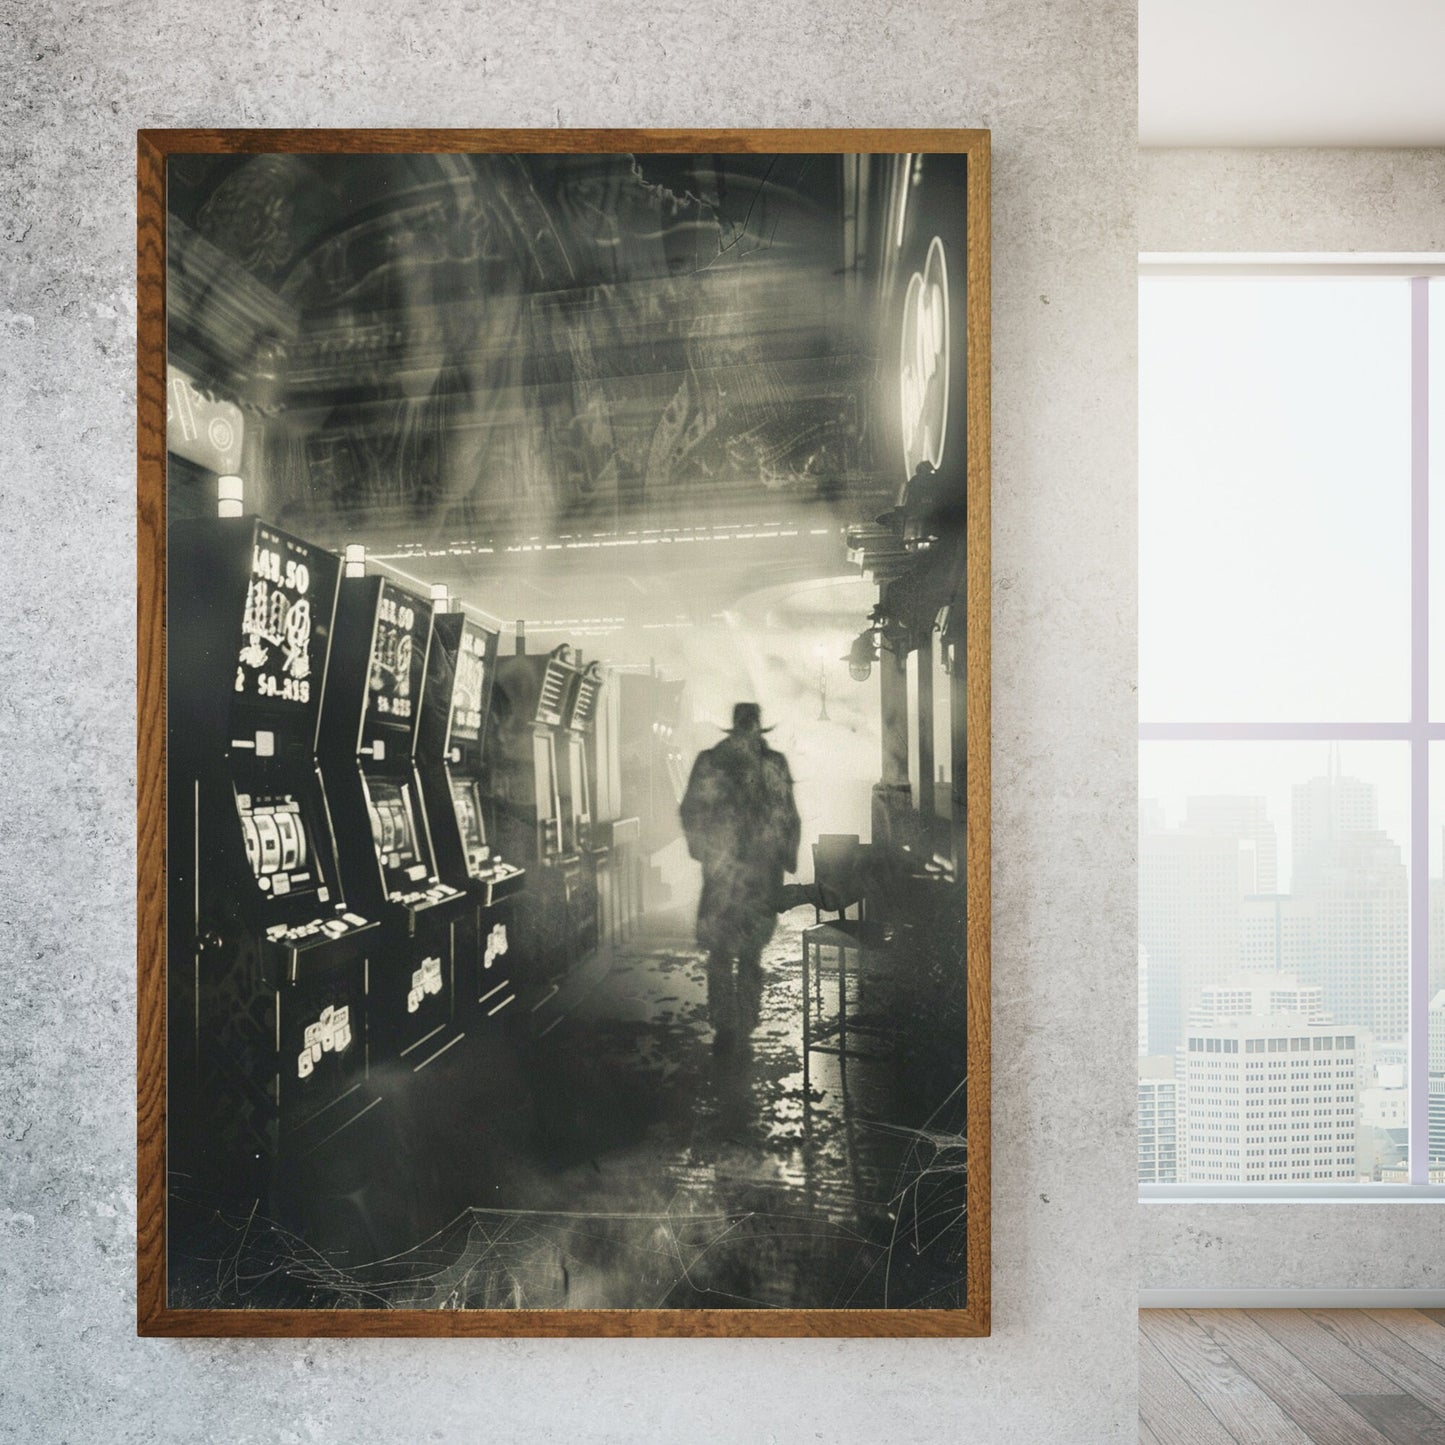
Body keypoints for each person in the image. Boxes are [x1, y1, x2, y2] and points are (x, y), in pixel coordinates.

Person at [680, 703, 801, 1051]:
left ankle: (725, 1026)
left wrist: (701, 849)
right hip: (760, 874)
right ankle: (743, 1023)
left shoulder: (710, 762)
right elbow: (788, 816)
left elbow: (691, 809)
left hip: (723, 873)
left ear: (732, 729)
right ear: (757, 728)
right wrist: (785, 857)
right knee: (747, 952)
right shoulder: (773, 764)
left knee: (723, 951)